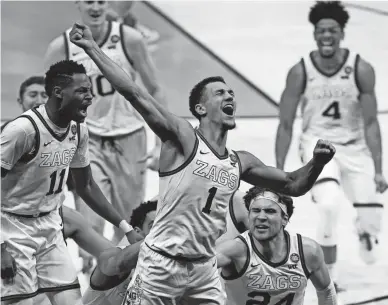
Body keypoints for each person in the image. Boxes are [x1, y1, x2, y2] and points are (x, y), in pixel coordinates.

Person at [69, 22, 336, 305]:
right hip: (161, 263)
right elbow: (134, 92)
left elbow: (293, 185)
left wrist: (317, 163)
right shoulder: (182, 137)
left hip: (204, 267)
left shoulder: (240, 161)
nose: (229, 95)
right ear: (200, 108)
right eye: (219, 93)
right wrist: (93, 49)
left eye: (231, 93)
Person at [1, 60, 140, 305]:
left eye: (89, 90)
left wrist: (126, 229)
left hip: (50, 225)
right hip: (12, 228)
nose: (90, 96)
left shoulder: (78, 130)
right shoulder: (22, 130)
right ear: (58, 93)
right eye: (82, 91)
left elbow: (86, 186)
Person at [275, 0, 387, 289]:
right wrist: (276, 169)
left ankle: (366, 231)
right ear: (314, 33)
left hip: (355, 147)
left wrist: (378, 168)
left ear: (342, 33)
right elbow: (285, 123)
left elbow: (372, 122)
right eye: (322, 30)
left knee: (372, 223)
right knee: (328, 205)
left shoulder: (361, 68)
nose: (327, 36)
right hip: (319, 146)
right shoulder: (300, 71)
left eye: (333, 30)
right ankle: (330, 276)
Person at [44, 0, 166, 243]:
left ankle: (124, 276)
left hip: (129, 135)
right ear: (78, 4)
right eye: (89, 2)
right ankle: (93, 275)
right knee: (91, 220)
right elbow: (48, 99)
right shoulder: (61, 46)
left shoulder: (130, 39)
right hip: (86, 139)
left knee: (129, 220)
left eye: (101, 1)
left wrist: (161, 142)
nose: (96, 8)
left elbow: (155, 90)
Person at [217, 187, 337, 305]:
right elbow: (199, 273)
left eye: (270, 211)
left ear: (285, 219)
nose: (261, 217)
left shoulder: (308, 251)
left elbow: (326, 292)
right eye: (256, 210)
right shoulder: (232, 251)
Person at [82, 199, 157, 305]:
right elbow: (116, 262)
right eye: (154, 226)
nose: (162, 230)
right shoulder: (114, 256)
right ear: (138, 232)